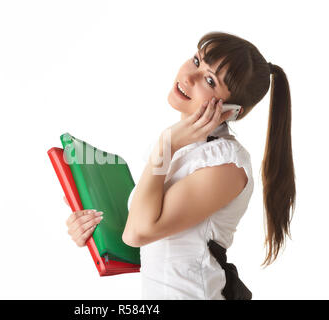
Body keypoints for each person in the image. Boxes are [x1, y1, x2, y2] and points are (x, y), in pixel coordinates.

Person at [63, 31, 296, 300]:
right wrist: (95, 230)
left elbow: (139, 232)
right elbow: (141, 236)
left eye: (209, 81)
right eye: (197, 61)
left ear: (231, 111)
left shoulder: (226, 164)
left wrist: (167, 142)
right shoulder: (179, 147)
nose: (188, 77)